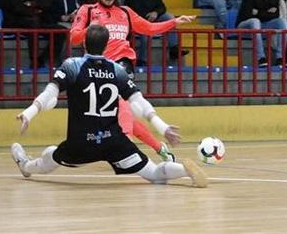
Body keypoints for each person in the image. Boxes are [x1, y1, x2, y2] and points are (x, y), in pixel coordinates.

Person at [11, 25, 207, 188]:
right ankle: (183, 170)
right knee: (155, 174)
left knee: (50, 157)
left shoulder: (72, 65)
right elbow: (138, 103)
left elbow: (50, 94)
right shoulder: (117, 70)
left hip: (81, 143)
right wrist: (163, 127)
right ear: (106, 46)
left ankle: (25, 165)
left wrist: (30, 112)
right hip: (114, 142)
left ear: (85, 43)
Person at [70, 0, 194, 162]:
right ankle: (159, 147)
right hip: (96, 68)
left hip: (122, 63)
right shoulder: (87, 11)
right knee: (119, 112)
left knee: (121, 101)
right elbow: (74, 38)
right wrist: (91, 28)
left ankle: (126, 147)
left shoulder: (125, 12)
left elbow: (149, 29)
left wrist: (173, 22)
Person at [125, 0, 189, 66]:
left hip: (153, 17)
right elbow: (131, 8)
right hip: (138, 20)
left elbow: (162, 7)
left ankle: (174, 49)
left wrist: (156, 13)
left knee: (170, 18)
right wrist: (146, 18)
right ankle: (142, 60)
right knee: (146, 34)